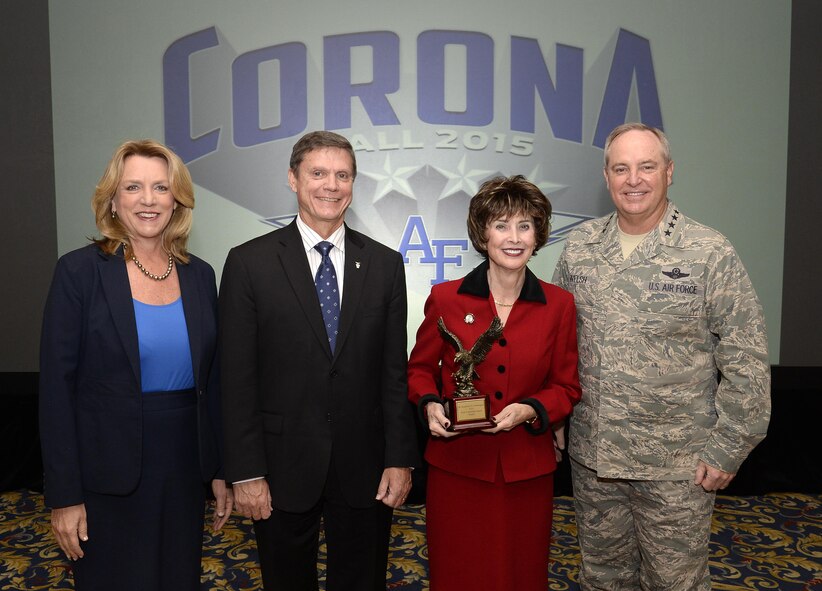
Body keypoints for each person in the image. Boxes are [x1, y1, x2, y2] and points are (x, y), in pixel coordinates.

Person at [553, 123, 771, 590]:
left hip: (677, 468)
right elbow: (558, 343)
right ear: (606, 177)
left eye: (647, 166)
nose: (634, 179)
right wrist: (553, 422)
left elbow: (746, 357)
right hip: (596, 461)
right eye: (621, 168)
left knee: (676, 584)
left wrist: (729, 446)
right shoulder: (580, 247)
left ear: (669, 172)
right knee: (602, 581)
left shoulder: (709, 252)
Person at [219, 130, 420, 590]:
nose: (331, 185)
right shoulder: (249, 263)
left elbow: (393, 373)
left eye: (343, 175)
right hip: (280, 464)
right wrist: (246, 471)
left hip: (365, 466)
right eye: (318, 173)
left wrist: (400, 459)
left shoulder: (385, 265)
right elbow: (237, 378)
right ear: (293, 179)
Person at [38, 139, 233, 590]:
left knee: (176, 577)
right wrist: (64, 496)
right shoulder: (79, 273)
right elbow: (56, 392)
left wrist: (221, 468)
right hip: (106, 473)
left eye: (161, 188)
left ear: (177, 200)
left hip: (184, 468)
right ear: (112, 199)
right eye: (133, 187)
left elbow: (214, 380)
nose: (148, 200)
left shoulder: (199, 274)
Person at [407, 175, 582, 590]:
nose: (514, 237)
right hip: (458, 465)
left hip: (526, 468)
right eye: (501, 225)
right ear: (482, 233)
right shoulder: (446, 298)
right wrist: (429, 403)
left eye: (525, 225)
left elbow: (566, 386)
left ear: (538, 234)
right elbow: (419, 369)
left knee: (520, 573)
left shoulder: (559, 304)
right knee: (459, 571)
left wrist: (531, 409)